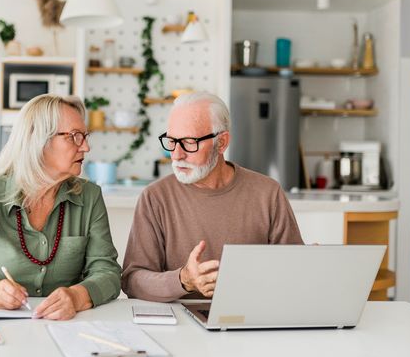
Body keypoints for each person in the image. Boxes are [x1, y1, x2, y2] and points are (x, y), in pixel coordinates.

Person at [0, 94, 121, 320]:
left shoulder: (90, 197)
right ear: (38, 140)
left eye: (85, 136)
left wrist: (77, 296)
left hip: (66, 328)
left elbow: (108, 273)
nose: (86, 147)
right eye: (74, 137)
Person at [121, 91, 303, 302]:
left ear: (222, 142)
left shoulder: (267, 193)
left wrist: (305, 263)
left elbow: (293, 274)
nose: (177, 155)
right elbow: (132, 281)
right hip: (180, 324)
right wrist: (183, 280)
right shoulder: (155, 197)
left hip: (251, 319)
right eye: (171, 141)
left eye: (189, 142)